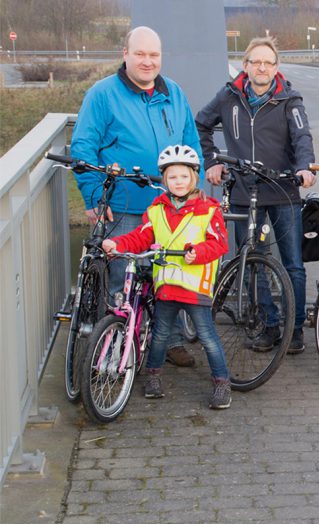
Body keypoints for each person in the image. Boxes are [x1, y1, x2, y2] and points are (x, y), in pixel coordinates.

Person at [71, 26, 202, 369]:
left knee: (169, 278)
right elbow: (83, 148)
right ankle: (114, 348)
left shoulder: (174, 93)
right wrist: (93, 196)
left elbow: (191, 144)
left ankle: (167, 341)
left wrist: (192, 187)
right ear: (125, 54)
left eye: (154, 55)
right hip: (123, 207)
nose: (148, 61)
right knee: (121, 281)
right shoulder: (102, 95)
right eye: (140, 54)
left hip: (170, 208)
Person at [196, 36, 316, 354]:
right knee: (253, 262)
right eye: (256, 61)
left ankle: (296, 328)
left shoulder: (290, 99)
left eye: (268, 62)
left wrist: (304, 168)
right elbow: (201, 125)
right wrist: (211, 162)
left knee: (292, 264)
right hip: (244, 191)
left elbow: (303, 136)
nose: (262, 67)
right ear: (246, 65)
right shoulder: (228, 95)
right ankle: (268, 324)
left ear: (276, 68)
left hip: (283, 190)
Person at [101, 146, 232, 409]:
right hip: (167, 288)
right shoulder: (157, 209)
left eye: (184, 176)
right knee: (160, 336)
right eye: (172, 177)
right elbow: (141, 237)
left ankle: (222, 382)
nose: (178, 182)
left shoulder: (209, 209)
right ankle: (153, 378)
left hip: (195, 289)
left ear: (194, 178)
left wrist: (198, 252)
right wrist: (116, 244)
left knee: (207, 337)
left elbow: (219, 244)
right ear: (165, 180)